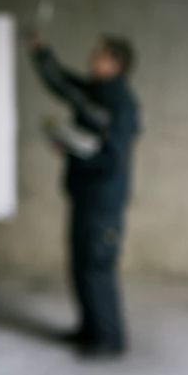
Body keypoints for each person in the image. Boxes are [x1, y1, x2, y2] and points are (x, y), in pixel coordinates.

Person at [30, 33, 141, 358]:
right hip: (84, 196)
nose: (92, 57)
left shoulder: (121, 103)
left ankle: (110, 341)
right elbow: (63, 85)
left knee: (97, 267)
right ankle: (89, 329)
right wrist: (42, 53)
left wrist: (72, 150)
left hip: (103, 201)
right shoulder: (97, 92)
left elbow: (112, 156)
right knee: (81, 265)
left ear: (116, 64)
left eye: (100, 54)